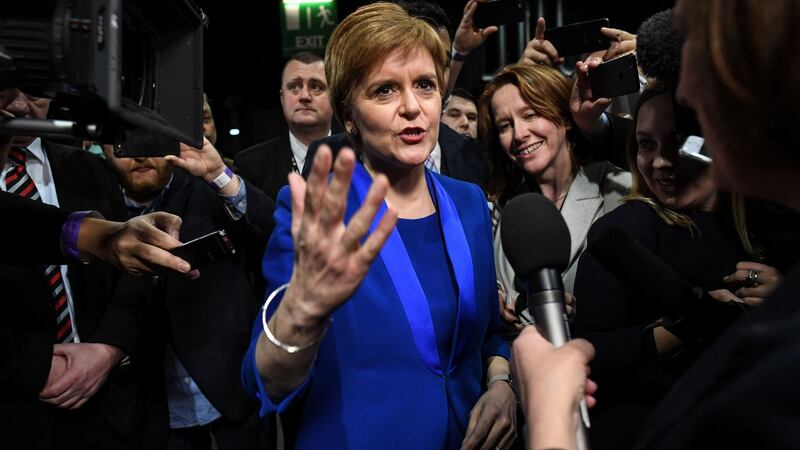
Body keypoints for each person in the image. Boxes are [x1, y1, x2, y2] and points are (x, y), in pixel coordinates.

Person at [514, 0, 800, 446]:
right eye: (646, 144)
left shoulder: (770, 223)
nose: (663, 161)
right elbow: (600, 354)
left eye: (698, 62)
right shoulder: (624, 231)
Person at [242, 3, 516, 449]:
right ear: (349, 116)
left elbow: (489, 333)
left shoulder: (468, 203)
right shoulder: (316, 210)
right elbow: (266, 382)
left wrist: (501, 383)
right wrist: (302, 315)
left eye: (425, 85)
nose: (412, 107)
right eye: (385, 90)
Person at [0, 87, 141, 448]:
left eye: (34, 90)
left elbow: (132, 276)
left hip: (103, 408)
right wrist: (33, 367)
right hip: (14, 413)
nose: (19, 105)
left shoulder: (90, 168)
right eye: (4, 90)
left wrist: (107, 350)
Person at [478, 63, 630, 319]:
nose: (519, 134)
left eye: (530, 115)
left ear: (565, 118)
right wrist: (496, 301)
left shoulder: (618, 189)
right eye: (505, 126)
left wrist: (584, 315)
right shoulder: (508, 209)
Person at [235, 52, 334, 201]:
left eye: (316, 87)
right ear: (282, 98)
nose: (305, 96)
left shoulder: (360, 156)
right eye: (294, 87)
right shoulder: (251, 165)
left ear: (333, 96)